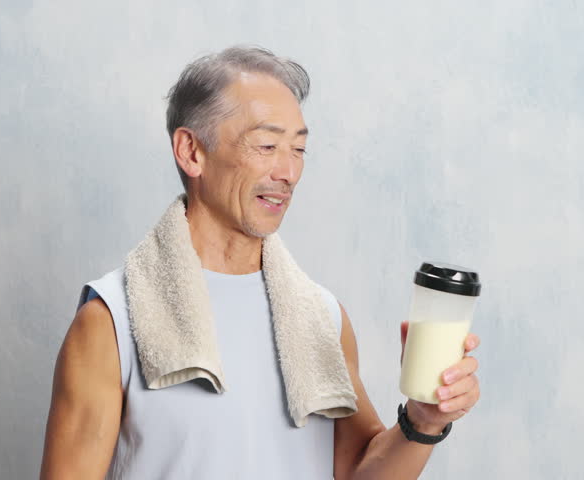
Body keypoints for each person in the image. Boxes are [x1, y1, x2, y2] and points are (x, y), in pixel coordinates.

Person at [39, 46, 481, 479]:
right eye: (267, 145)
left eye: (299, 150)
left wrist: (423, 420)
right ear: (192, 151)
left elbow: (359, 474)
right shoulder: (111, 321)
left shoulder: (322, 319)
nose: (288, 172)